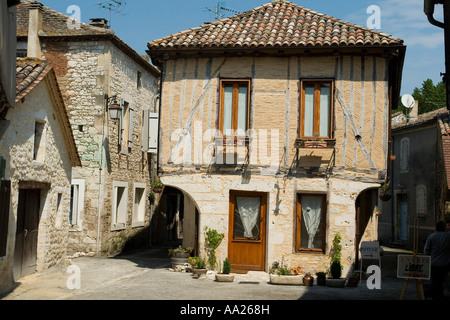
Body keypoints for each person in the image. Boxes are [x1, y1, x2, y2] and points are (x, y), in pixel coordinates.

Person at [424, 220, 450, 300]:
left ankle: (432, 294)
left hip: (433, 263)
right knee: (441, 281)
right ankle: (437, 294)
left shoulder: (431, 236)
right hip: (445, 263)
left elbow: (426, 250)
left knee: (435, 281)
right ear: (444, 227)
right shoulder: (448, 236)